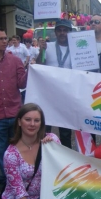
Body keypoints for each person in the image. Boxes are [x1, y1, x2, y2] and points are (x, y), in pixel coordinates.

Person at [2, 103, 60, 199]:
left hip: (42, 197)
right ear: (19, 122)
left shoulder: (51, 141)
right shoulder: (11, 154)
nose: (32, 124)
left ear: (41, 123)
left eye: (36, 120)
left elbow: (61, 167)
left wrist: (53, 146)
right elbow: (19, 192)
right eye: (27, 119)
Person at [0, 27, 28, 187]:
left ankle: (19, 179)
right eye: (1, 39)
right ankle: (10, 181)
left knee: (19, 149)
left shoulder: (15, 60)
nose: (5, 41)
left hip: (16, 112)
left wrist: (30, 70)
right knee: (0, 151)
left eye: (6, 38)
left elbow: (22, 83)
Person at [36, 19, 73, 148]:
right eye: (59, 30)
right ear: (55, 32)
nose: (62, 33)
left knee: (66, 133)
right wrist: (41, 51)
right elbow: (39, 66)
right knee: (45, 131)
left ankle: (67, 162)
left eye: (65, 30)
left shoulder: (77, 49)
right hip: (49, 96)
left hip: (66, 95)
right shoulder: (48, 46)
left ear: (70, 32)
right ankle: (44, 160)